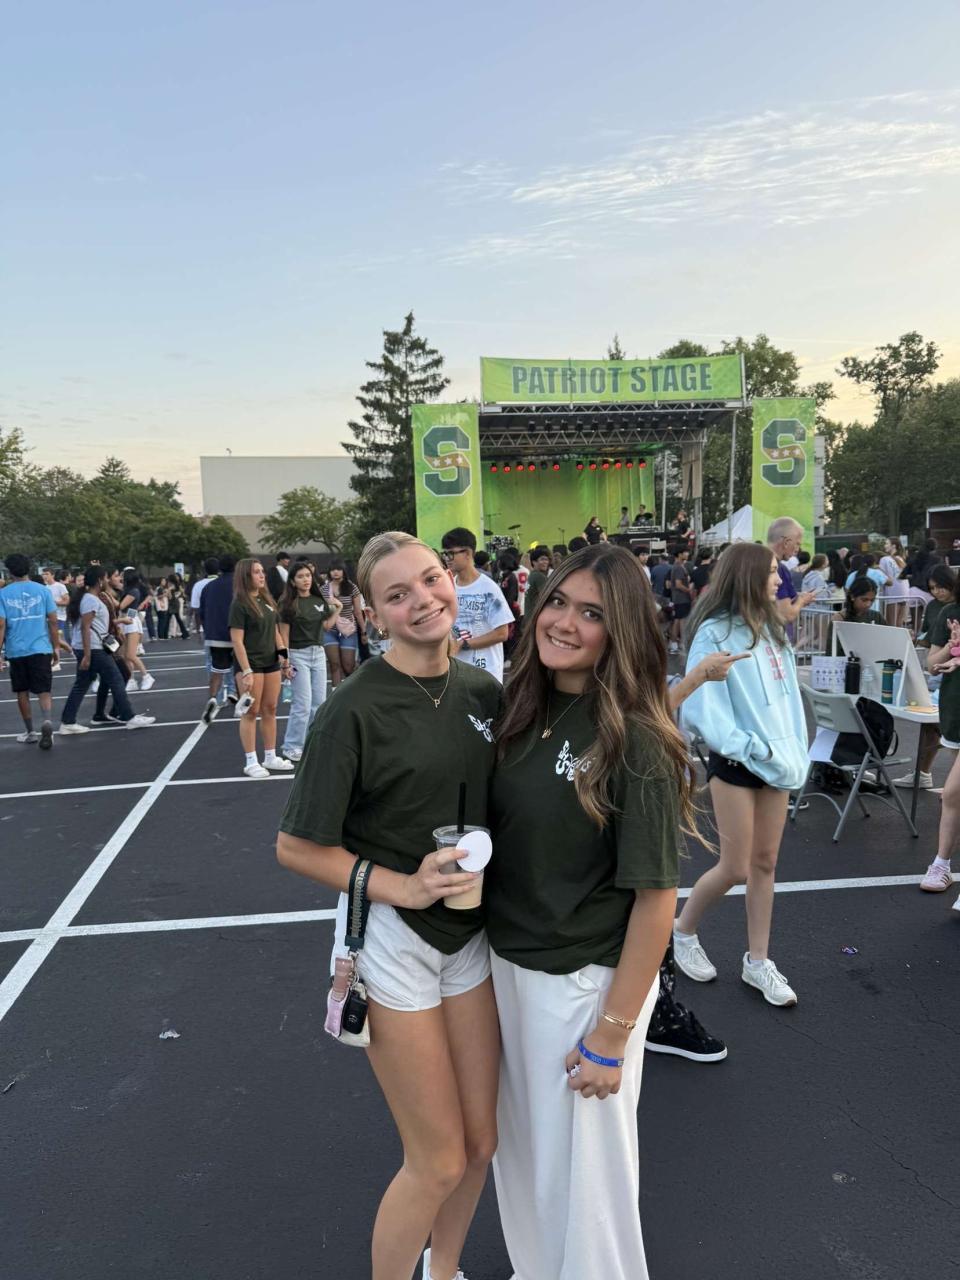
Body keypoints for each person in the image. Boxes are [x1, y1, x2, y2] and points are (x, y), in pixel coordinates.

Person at [277, 531, 501, 1280]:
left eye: (431, 580)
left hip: (470, 933)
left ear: (453, 581)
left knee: (480, 1144)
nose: (423, 601)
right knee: (436, 1160)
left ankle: (444, 1271)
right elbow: (296, 847)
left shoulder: (483, 692)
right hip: (392, 938)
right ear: (373, 616)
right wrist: (402, 885)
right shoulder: (351, 710)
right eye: (398, 595)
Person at [484, 543, 689, 1279]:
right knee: (527, 1165)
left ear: (621, 630)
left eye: (592, 613)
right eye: (558, 602)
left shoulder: (636, 737)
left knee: (589, 1189)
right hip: (507, 969)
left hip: (581, 987)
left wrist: (612, 1034)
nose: (565, 623)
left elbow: (657, 900)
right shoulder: (520, 708)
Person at [674, 542, 808, 1007]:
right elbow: (702, 709)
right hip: (736, 763)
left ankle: (758, 961)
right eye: (771, 571)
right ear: (748, 576)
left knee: (765, 863)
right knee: (734, 867)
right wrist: (753, 748)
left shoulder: (773, 631)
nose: (779, 579)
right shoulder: (714, 633)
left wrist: (791, 750)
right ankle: (683, 930)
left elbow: (789, 702)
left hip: (777, 761)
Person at [59, 567, 156, 733]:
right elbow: (85, 627)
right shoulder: (90, 599)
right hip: (94, 647)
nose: (108, 581)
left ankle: (68, 721)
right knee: (116, 678)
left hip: (98, 644)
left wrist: (119, 623)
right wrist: (87, 655)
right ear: (99, 581)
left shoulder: (93, 597)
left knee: (83, 684)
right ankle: (129, 717)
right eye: (106, 578)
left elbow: (97, 624)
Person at [229, 558, 295, 778]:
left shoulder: (266, 600)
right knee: (251, 711)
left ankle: (270, 756)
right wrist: (246, 671)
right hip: (251, 664)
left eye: (262, 571)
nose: (262, 575)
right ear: (245, 576)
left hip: (271, 663)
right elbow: (237, 640)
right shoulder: (240, 604)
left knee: (271, 709)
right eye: (256, 572)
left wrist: (284, 659)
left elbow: (276, 633)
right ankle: (251, 761)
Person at [278, 559, 341, 761]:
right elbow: (283, 636)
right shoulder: (288, 604)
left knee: (319, 703)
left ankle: (312, 742)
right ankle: (292, 746)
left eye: (308, 576)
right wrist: (285, 662)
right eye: (300, 577)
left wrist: (338, 608)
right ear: (292, 581)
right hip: (298, 655)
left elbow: (326, 626)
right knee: (302, 704)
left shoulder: (318, 600)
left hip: (318, 653)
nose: (305, 580)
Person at [918, 592, 960, 892]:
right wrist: (952, 649)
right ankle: (942, 865)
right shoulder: (950, 613)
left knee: (953, 793)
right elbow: (932, 664)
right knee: (954, 795)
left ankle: (941, 863)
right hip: (954, 712)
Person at [0, 554, 59, 748]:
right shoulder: (43, 590)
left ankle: (30, 731)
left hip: (16, 649)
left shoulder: (3, 594)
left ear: (10, 571)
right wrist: (56, 646)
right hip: (40, 647)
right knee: (44, 690)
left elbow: (1, 625)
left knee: (22, 691)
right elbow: (53, 621)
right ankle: (47, 720)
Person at [441, 528, 513, 684]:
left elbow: (502, 633)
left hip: (486, 673)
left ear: (467, 553)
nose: (447, 559)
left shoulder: (489, 589)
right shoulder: (448, 587)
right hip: (457, 672)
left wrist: (464, 644)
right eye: (445, 554)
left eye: (451, 553)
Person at [197, 555, 239, 724]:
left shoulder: (209, 587)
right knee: (241, 670)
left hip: (215, 636)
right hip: (236, 634)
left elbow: (201, 612)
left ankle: (213, 698)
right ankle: (239, 700)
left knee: (217, 670)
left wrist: (207, 631)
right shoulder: (239, 585)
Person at [767, 517, 818, 629]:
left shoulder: (752, 564)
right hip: (775, 634)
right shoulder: (780, 569)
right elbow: (787, 615)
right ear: (786, 542)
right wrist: (802, 601)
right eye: (797, 544)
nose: (798, 549)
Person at [322, 561, 366, 688]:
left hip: (348, 631)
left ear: (344, 571)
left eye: (338, 569)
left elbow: (358, 612)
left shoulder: (352, 587)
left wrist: (363, 632)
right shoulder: (324, 589)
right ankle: (335, 694)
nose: (335, 572)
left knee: (348, 666)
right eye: (333, 570)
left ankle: (353, 689)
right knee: (334, 665)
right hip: (330, 630)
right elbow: (321, 611)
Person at [118, 567, 155, 691]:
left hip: (131, 622)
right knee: (124, 655)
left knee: (131, 655)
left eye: (123, 576)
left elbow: (121, 606)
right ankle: (131, 680)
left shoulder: (134, 591)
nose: (121, 578)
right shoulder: (128, 590)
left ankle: (146, 676)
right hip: (125, 620)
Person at [668, 545, 693, 654]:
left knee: (678, 620)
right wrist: (689, 590)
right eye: (685, 552)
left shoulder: (679, 566)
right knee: (681, 621)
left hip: (679, 598)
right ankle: (680, 645)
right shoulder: (678, 567)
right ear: (679, 554)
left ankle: (674, 645)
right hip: (681, 598)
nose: (687, 554)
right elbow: (678, 584)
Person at [879, 539, 908, 623]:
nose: (885, 546)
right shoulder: (902, 558)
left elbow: (882, 577)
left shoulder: (884, 559)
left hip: (892, 593)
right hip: (905, 593)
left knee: (891, 624)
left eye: (887, 543)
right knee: (899, 624)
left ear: (894, 546)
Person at [190, 557, 220, 632]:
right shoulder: (226, 584)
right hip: (223, 624)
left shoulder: (198, 585)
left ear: (205, 570)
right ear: (219, 569)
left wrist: (198, 628)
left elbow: (196, 608)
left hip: (205, 626)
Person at [524, 546, 551, 618]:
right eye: (542, 559)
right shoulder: (539, 577)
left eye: (546, 559)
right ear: (534, 562)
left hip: (529, 617)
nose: (545, 562)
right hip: (535, 617)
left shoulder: (532, 575)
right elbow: (547, 597)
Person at [166, 573, 191, 638]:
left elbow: (171, 597)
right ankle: (183, 634)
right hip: (175, 603)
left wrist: (169, 591)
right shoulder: (176, 585)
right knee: (177, 619)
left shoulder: (174, 586)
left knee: (171, 619)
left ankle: (168, 634)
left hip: (174, 603)